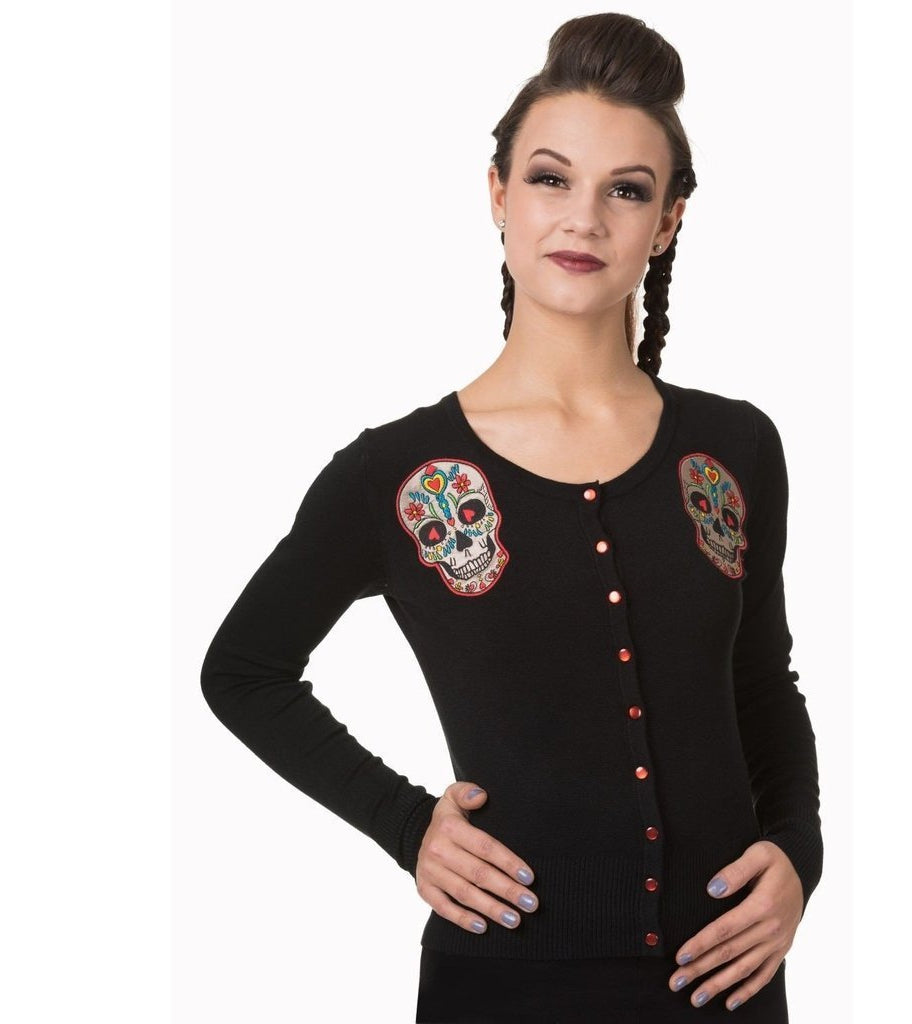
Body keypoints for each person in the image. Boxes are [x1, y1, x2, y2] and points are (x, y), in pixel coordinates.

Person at [200, 12, 823, 1022]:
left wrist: (797, 855)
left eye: (627, 190)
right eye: (549, 178)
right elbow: (242, 671)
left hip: (727, 982)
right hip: (502, 985)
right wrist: (406, 824)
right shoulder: (397, 474)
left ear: (667, 222)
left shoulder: (735, 449)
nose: (584, 219)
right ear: (498, 195)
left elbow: (760, 685)